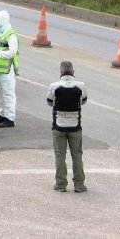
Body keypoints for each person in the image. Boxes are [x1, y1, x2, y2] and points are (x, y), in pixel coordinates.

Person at [46, 61, 88, 192]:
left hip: (58, 126)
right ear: (73, 72)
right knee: (77, 155)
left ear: (60, 72)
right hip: (75, 127)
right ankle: (79, 184)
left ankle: (61, 184)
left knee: (60, 155)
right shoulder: (81, 86)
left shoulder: (54, 86)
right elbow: (84, 101)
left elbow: (49, 102)